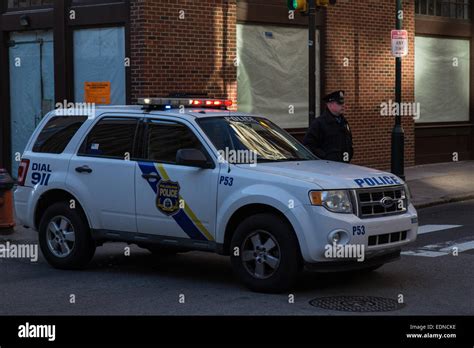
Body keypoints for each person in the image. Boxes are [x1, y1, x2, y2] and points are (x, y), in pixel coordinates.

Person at [303, 90, 354, 163]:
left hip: (344, 165)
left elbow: (348, 142)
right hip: (327, 166)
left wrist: (349, 154)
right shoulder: (319, 123)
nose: (343, 105)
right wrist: (325, 157)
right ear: (330, 104)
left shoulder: (344, 122)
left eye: (343, 103)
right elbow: (309, 145)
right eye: (339, 103)